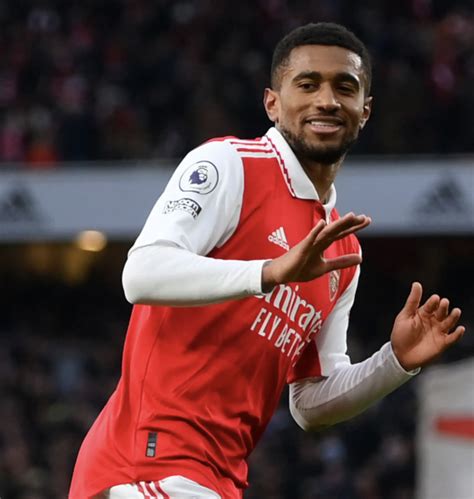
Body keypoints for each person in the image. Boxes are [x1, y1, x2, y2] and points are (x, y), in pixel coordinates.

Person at [69, 22, 465, 499]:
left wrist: (394, 362)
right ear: (272, 103)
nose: (326, 100)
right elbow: (141, 273)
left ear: (365, 111)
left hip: (217, 477)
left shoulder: (341, 251)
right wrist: (268, 272)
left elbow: (311, 403)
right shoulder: (231, 165)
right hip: (148, 463)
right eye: (307, 84)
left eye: (345, 87)